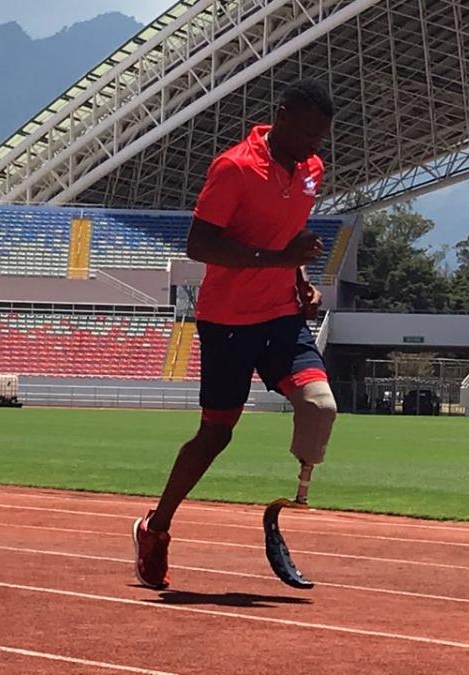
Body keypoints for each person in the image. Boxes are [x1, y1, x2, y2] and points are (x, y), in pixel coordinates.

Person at [132, 79, 339, 590]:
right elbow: (199, 243)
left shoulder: (311, 169)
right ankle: (155, 528)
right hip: (227, 322)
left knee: (320, 406)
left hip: (281, 316)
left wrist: (301, 279)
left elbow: (284, 235)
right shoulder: (235, 168)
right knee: (216, 435)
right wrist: (278, 260)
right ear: (282, 116)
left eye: (322, 136)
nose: (314, 145)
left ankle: (298, 497)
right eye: (307, 132)